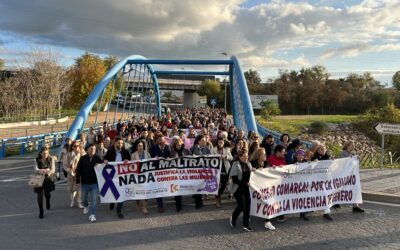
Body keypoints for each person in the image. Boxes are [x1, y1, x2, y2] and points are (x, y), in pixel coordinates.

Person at [249, 148, 276, 230]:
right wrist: (253, 170)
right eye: (263, 154)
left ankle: (267, 221)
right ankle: (247, 215)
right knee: (250, 203)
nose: (265, 156)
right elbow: (247, 174)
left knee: (267, 202)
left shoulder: (266, 163)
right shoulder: (252, 163)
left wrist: (275, 168)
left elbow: (269, 171)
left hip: (264, 186)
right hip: (254, 187)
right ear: (258, 156)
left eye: (265, 154)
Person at [104, 136, 131, 219]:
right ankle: (112, 201)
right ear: (115, 143)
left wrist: (128, 161)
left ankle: (119, 210)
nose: (120, 144)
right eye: (119, 143)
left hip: (122, 176)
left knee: (121, 192)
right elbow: (105, 159)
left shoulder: (126, 152)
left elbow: (130, 161)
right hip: (112, 175)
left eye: (122, 143)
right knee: (113, 191)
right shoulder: (110, 151)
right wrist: (105, 160)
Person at [75, 144, 103, 222]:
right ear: (87, 150)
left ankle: (92, 215)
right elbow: (78, 170)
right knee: (83, 200)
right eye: (91, 149)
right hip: (84, 183)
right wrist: (77, 181)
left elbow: (103, 167)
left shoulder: (97, 158)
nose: (92, 150)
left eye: (94, 149)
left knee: (94, 200)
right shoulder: (82, 158)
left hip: (94, 183)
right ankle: (86, 206)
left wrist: (101, 164)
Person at [228, 150, 253, 232]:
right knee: (242, 206)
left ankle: (246, 224)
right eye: (244, 156)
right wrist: (245, 183)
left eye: (247, 156)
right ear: (240, 157)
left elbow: (252, 174)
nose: (246, 158)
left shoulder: (248, 164)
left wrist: (255, 170)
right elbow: (234, 179)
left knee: (248, 206)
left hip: (246, 188)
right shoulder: (236, 164)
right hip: (237, 188)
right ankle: (233, 217)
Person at [338, 141, 365, 213]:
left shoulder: (352, 154)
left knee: (355, 188)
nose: (354, 146)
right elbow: (341, 163)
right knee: (340, 189)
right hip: (343, 175)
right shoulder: (343, 153)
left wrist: (357, 159)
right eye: (352, 145)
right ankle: (335, 202)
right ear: (348, 145)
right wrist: (349, 159)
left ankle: (355, 206)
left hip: (351, 176)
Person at [150, 132, 171, 213]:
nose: (162, 141)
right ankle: (160, 205)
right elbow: (151, 158)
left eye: (163, 139)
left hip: (166, 171)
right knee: (158, 187)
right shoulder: (153, 148)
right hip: (157, 171)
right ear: (157, 141)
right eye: (160, 140)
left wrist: (169, 158)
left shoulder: (168, 147)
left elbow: (170, 156)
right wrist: (155, 158)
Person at [170, 137, 191, 212]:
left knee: (181, 188)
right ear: (175, 146)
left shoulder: (186, 151)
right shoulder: (172, 152)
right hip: (175, 173)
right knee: (177, 189)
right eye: (177, 145)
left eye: (180, 145)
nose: (178, 146)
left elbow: (191, 158)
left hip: (185, 173)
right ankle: (178, 205)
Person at [211, 137, 233, 208]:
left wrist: (225, 156)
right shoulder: (213, 149)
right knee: (216, 185)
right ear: (217, 142)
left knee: (224, 184)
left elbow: (231, 157)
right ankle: (217, 199)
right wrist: (216, 157)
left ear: (224, 143)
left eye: (222, 143)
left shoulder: (227, 149)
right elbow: (210, 157)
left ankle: (218, 196)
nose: (221, 144)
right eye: (219, 142)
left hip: (225, 169)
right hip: (216, 169)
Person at [34, 147, 56, 219]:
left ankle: (48, 200)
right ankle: (41, 210)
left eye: (46, 153)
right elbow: (35, 169)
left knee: (47, 193)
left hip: (47, 178)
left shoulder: (51, 159)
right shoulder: (36, 160)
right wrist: (42, 171)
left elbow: (53, 169)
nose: (45, 155)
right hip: (39, 178)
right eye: (44, 153)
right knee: (39, 195)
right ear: (41, 153)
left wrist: (48, 172)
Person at [191, 134, 211, 209]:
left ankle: (196, 196)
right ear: (198, 141)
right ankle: (198, 203)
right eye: (203, 140)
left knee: (201, 185)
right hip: (195, 171)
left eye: (205, 141)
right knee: (197, 186)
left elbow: (210, 158)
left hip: (203, 171)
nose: (204, 142)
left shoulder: (207, 149)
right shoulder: (193, 148)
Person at [131, 140, 151, 215]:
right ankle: (138, 203)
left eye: (142, 146)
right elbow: (131, 165)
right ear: (136, 147)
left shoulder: (147, 154)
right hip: (136, 175)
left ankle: (145, 207)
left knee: (145, 191)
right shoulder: (133, 155)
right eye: (139, 146)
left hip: (145, 175)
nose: (140, 147)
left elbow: (150, 164)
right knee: (138, 190)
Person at [65, 140, 84, 208]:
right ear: (72, 147)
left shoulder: (82, 153)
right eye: (75, 146)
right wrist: (69, 170)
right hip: (71, 174)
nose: (77, 147)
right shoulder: (68, 154)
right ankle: (72, 200)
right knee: (71, 189)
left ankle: (79, 202)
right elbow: (65, 165)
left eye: (78, 146)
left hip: (79, 174)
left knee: (79, 188)